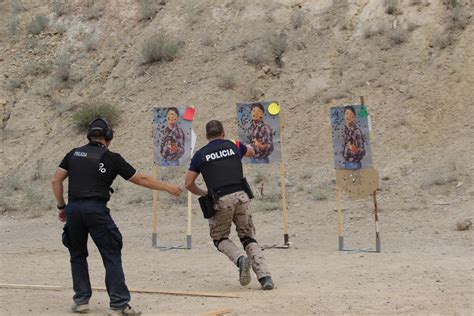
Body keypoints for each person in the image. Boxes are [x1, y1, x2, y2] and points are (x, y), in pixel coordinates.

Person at [51, 118, 182, 315]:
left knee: (77, 254)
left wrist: (62, 206)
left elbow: (56, 180)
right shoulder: (111, 158)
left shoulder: (73, 154)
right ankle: (118, 304)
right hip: (96, 209)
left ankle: (81, 300)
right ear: (108, 137)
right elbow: (141, 179)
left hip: (74, 209)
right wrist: (168, 187)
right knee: (111, 254)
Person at [184, 120, 274, 290]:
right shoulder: (233, 145)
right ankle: (265, 277)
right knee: (248, 237)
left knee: (220, 238)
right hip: (242, 196)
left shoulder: (200, 154)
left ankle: (240, 260)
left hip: (220, 200)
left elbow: (188, 183)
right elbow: (252, 152)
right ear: (223, 133)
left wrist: (204, 193)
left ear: (206, 136)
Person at [342, 105, 365, 169]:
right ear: (344, 116)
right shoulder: (346, 131)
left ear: (354, 117)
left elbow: (362, 151)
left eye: (350, 114)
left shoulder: (357, 131)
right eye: (346, 114)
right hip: (346, 163)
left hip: (354, 164)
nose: (348, 116)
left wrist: (354, 149)